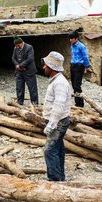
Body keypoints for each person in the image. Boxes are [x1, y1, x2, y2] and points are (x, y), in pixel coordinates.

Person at [42, 51, 71, 181]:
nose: (43, 67)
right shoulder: (56, 81)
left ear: (51, 67)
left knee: (49, 150)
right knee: (58, 149)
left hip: (59, 122)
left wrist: (51, 124)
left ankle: (55, 179)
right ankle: (60, 176)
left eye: (45, 65)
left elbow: (58, 106)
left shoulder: (59, 83)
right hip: (59, 121)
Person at [11, 36, 38, 105]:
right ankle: (20, 102)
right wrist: (17, 65)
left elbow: (30, 59)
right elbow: (13, 58)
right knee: (19, 87)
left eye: (18, 45)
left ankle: (34, 102)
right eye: (16, 46)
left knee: (32, 88)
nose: (17, 47)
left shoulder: (29, 47)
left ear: (21, 43)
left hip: (29, 71)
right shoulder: (15, 48)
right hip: (19, 71)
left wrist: (20, 65)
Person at [68, 31, 90, 108]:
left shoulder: (81, 46)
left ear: (76, 38)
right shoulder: (72, 46)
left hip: (79, 65)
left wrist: (86, 67)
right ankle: (77, 102)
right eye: (70, 38)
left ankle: (80, 104)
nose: (70, 40)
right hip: (73, 65)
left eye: (72, 38)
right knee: (73, 84)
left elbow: (85, 57)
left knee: (77, 85)